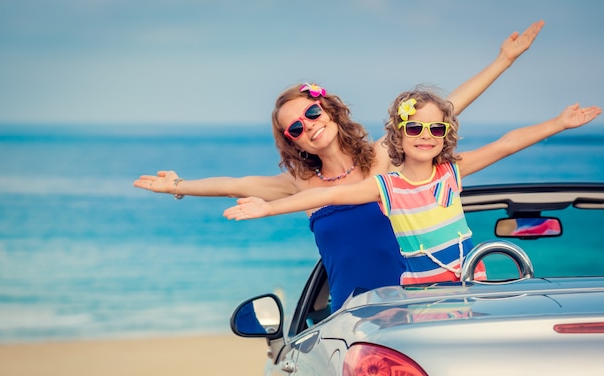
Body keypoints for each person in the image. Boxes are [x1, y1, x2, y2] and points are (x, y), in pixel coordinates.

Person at [134, 21, 544, 311]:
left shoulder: (384, 156)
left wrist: (504, 60)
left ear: (328, 109)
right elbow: (232, 184)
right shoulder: (300, 184)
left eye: (312, 113)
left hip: (417, 298)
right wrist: (178, 185)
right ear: (290, 140)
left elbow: (450, 106)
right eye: (295, 127)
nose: (308, 126)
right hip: (351, 311)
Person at [223, 87, 602, 285]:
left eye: (436, 129)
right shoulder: (387, 186)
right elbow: (329, 194)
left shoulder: (452, 172)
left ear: (446, 135)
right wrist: (269, 208)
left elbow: (505, 144)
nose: (426, 135)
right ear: (397, 141)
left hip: (471, 284)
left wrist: (558, 123)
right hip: (418, 292)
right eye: (415, 129)